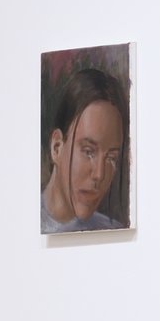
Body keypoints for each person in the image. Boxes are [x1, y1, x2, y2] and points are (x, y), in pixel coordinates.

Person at [41, 64, 127, 232]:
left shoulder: (112, 230)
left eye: (111, 158)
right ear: (57, 147)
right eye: (88, 152)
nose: (99, 174)